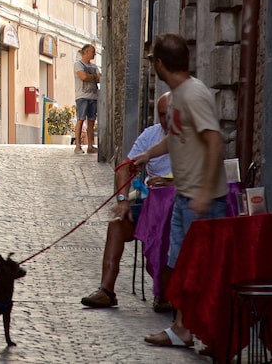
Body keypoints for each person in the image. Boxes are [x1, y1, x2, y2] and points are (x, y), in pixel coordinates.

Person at [134, 34, 227, 349]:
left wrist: (203, 192)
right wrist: (147, 154)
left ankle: (213, 332)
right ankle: (182, 328)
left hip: (203, 201)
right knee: (181, 266)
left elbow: (215, 140)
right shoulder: (176, 97)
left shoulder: (193, 94)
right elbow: (176, 137)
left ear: (160, 64)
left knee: (205, 269)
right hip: (184, 198)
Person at [81, 92, 174, 311]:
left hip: (179, 208)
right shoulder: (151, 136)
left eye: (170, 114)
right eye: (162, 114)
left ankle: (165, 291)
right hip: (151, 205)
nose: (166, 120)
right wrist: (123, 200)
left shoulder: (193, 137)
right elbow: (125, 168)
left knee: (169, 227)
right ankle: (106, 290)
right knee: (117, 223)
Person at [74, 44, 101, 154]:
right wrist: (94, 77)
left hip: (93, 97)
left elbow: (100, 78)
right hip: (82, 96)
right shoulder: (78, 64)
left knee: (91, 121)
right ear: (86, 52)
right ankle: (77, 146)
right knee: (80, 120)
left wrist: (93, 78)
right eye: (92, 52)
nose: (94, 54)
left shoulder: (94, 67)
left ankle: (90, 146)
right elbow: (83, 77)